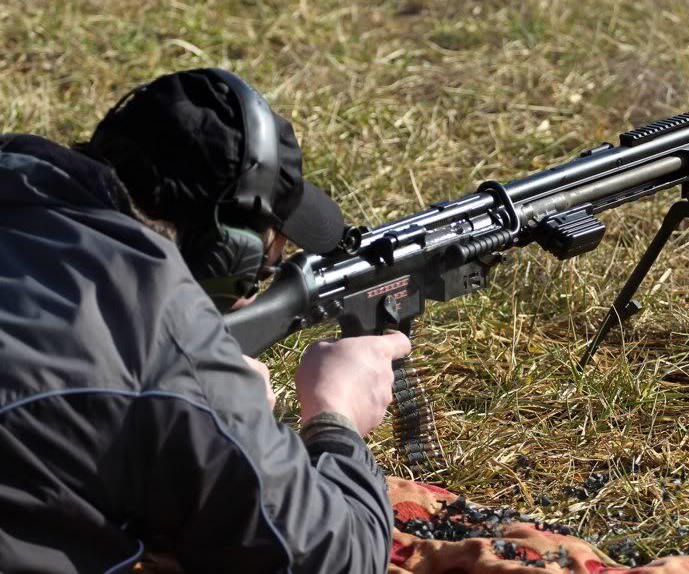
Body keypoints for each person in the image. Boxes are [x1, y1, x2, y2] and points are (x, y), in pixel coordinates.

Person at [0, 68, 410, 572]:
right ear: (226, 253)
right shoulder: (167, 346)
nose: (262, 277)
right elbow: (333, 558)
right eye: (265, 263)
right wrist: (335, 416)